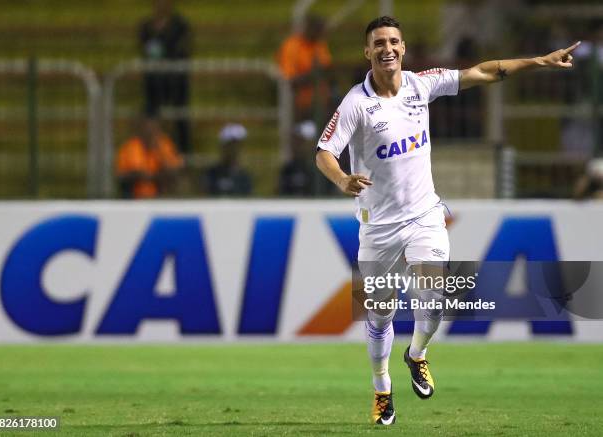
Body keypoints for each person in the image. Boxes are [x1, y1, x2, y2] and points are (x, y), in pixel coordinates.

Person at [314, 16, 579, 425]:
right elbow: (324, 152)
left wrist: (541, 61)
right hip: (379, 228)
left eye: (394, 41)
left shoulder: (421, 84)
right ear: (367, 52)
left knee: (433, 299)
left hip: (425, 216)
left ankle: (416, 354)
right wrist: (343, 178)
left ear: (403, 49)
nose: (387, 48)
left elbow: (485, 71)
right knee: (380, 317)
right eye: (379, 42)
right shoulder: (356, 103)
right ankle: (382, 389)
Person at [140, 0, 193, 153]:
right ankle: (153, 153)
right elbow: (146, 50)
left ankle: (183, 155)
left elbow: (183, 50)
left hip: (176, 82)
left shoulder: (180, 26)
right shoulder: (146, 27)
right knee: (152, 118)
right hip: (154, 83)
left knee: (181, 119)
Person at [277, 14, 333, 123]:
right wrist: (314, 75)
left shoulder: (319, 44)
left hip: (321, 99)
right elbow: (290, 79)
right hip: (298, 100)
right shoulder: (292, 45)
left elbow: (327, 68)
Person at [116, 117, 184, 199]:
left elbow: (173, 171)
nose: (150, 132)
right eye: (147, 128)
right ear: (141, 129)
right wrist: (151, 176)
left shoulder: (164, 145)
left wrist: (159, 151)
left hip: (161, 194)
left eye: (153, 129)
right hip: (133, 195)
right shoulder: (130, 146)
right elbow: (124, 174)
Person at [204, 123, 252, 197]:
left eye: (238, 144)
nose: (235, 149)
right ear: (223, 147)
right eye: (231, 144)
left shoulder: (245, 177)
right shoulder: (211, 175)